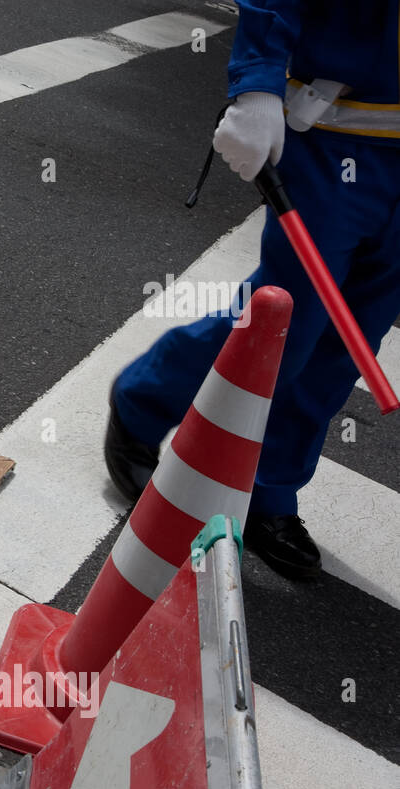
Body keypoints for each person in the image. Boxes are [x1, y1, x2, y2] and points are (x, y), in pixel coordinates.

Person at [105, 0, 400, 580]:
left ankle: (271, 486)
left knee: (348, 343)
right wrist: (258, 83)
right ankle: (146, 398)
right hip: (338, 136)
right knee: (285, 325)